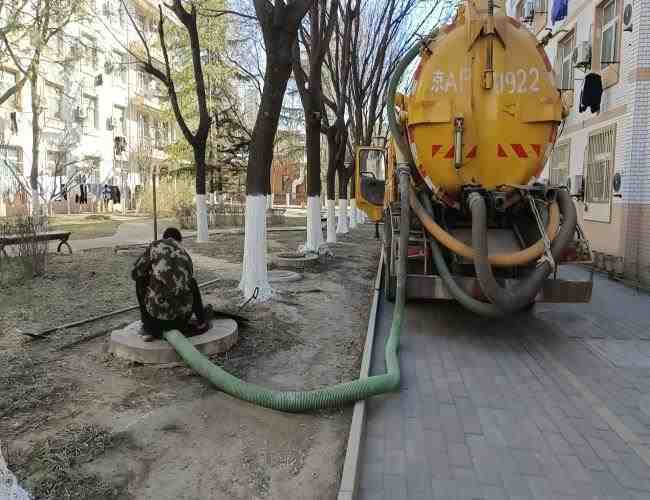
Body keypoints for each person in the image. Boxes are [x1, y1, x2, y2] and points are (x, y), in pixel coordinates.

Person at [132, 227, 209, 341]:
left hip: (157, 320)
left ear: (164, 238)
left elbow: (135, 273)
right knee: (192, 282)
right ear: (179, 241)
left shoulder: (155, 246)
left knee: (140, 280)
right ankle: (201, 322)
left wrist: (152, 274)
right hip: (182, 321)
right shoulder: (185, 254)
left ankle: (147, 328)